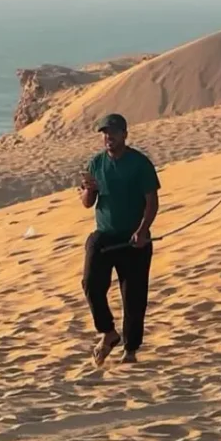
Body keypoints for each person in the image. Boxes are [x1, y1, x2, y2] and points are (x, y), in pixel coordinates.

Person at [80, 113, 161, 366]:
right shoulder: (96, 163)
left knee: (134, 297)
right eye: (105, 133)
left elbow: (152, 201)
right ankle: (108, 332)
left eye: (113, 132)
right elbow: (87, 203)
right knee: (91, 284)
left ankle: (131, 350)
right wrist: (88, 190)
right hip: (104, 236)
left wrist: (143, 230)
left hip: (134, 239)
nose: (108, 137)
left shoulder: (139, 163)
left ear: (124, 134)